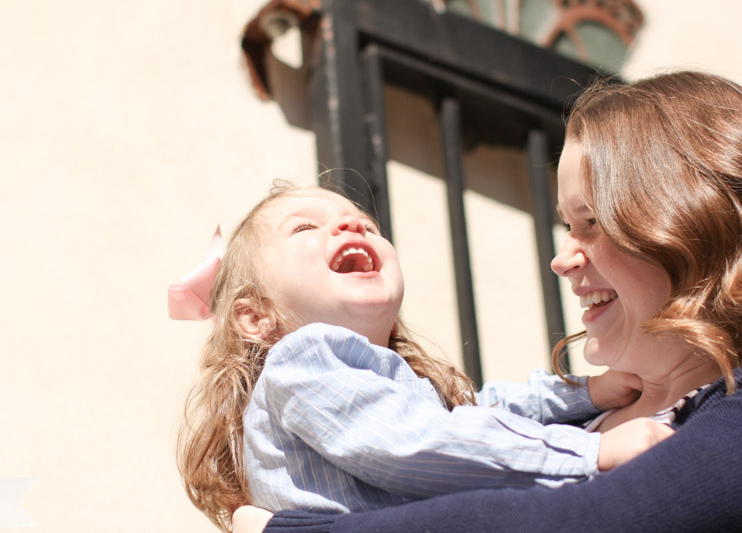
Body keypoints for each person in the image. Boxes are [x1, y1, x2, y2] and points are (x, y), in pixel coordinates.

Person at [231, 70, 742, 532]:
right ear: (255, 317)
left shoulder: (722, 424)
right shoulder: (307, 360)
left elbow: (567, 511)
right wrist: (590, 433)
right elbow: (448, 436)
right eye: (567, 225)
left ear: (688, 224)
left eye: (591, 222)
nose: (561, 259)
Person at [175, 180, 669, 530]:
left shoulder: (384, 377)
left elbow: (474, 413)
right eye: (305, 227)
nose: (351, 224)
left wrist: (586, 392)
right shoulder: (301, 361)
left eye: (366, 224)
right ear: (257, 318)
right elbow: (420, 442)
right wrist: (588, 452)